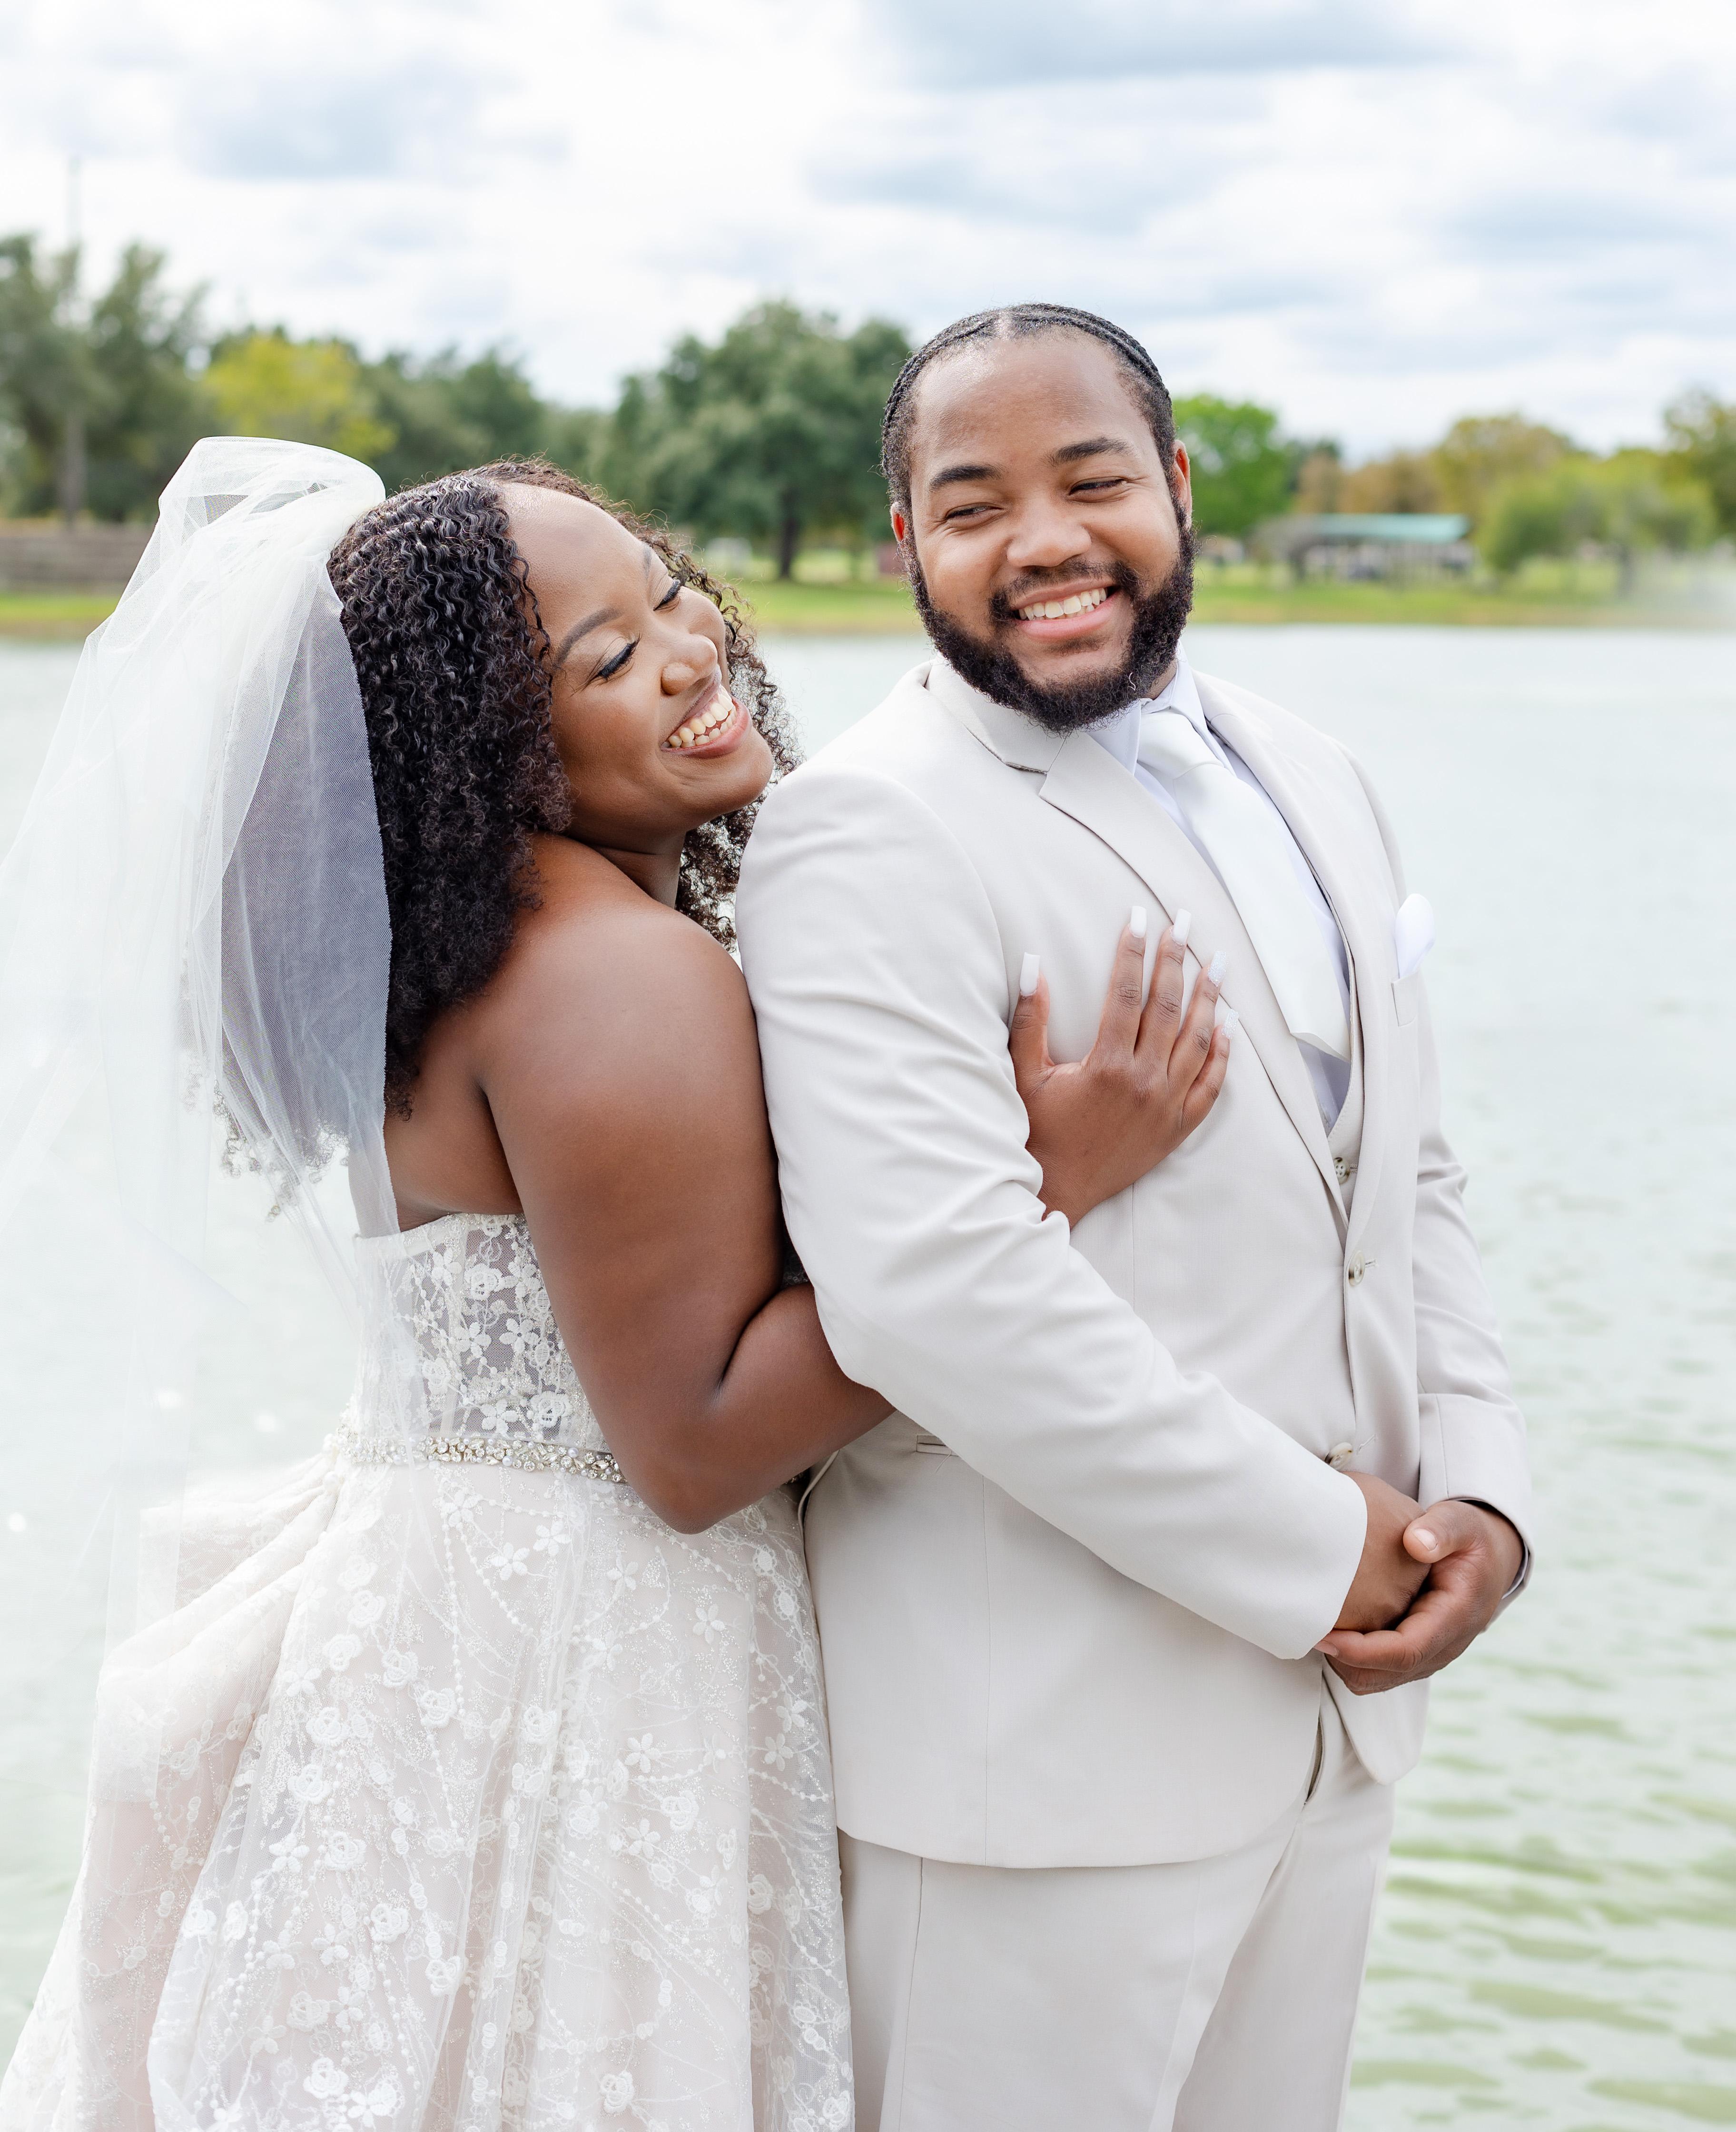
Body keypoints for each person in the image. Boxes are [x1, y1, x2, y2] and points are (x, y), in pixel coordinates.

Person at [0, 437, 1228, 2132]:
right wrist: (1035, 1188)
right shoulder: (617, 978)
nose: (688, 651)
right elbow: (695, 1445)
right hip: (587, 1655)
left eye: (667, 594)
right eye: (603, 660)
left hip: (434, 1612)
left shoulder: (462, 954)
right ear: (490, 746)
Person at [734, 304, 1533, 2132]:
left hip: (1329, 1746)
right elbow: (935, 1294)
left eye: (1092, 480)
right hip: (1036, 1781)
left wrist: (1484, 1496)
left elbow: (1404, 1183)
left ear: (1177, 486)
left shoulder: (1315, 772)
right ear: (908, 547)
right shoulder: (863, 829)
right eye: (973, 506)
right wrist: (1321, 1549)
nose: (1044, 542)